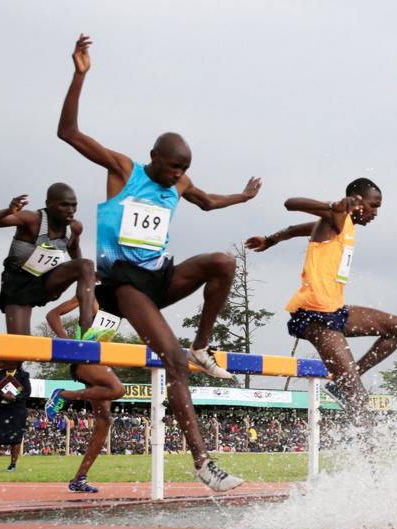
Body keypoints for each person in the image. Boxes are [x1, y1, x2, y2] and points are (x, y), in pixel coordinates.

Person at [57, 34, 260, 491]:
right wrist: (79, 75)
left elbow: (207, 201)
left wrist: (244, 197)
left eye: (182, 169)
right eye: (171, 169)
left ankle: (203, 347)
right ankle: (203, 463)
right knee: (170, 356)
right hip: (123, 283)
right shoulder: (123, 170)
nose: (176, 177)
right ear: (154, 159)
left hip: (159, 276)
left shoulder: (181, 184)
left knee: (223, 263)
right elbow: (68, 134)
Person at [245, 178, 397, 427]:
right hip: (315, 314)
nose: (375, 213)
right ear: (356, 201)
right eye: (373, 205)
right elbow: (290, 203)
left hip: (334, 311)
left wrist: (271, 239)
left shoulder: (342, 224)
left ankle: (353, 373)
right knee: (358, 398)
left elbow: (294, 229)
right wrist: (335, 205)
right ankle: (370, 460)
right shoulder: (336, 217)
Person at [0, 185, 97, 348]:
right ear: (49, 204)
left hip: (47, 281)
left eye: (74, 205)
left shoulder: (75, 227)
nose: (70, 210)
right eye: (64, 205)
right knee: (20, 350)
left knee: (87, 265)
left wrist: (86, 275)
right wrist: (8, 210)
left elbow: (74, 248)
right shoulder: (32, 219)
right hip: (19, 284)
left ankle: (86, 334)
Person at [43, 295, 126, 492]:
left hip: (100, 361)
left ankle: (78, 479)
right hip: (84, 360)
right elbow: (52, 314)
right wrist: (67, 343)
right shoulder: (90, 295)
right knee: (118, 390)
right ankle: (62, 395)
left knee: (104, 422)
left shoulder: (124, 303)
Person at [0, 367, 31, 472]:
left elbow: (27, 392)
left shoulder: (24, 375)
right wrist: (3, 395)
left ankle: (13, 465)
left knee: (16, 439)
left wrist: (14, 398)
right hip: (1, 410)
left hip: (17, 411)